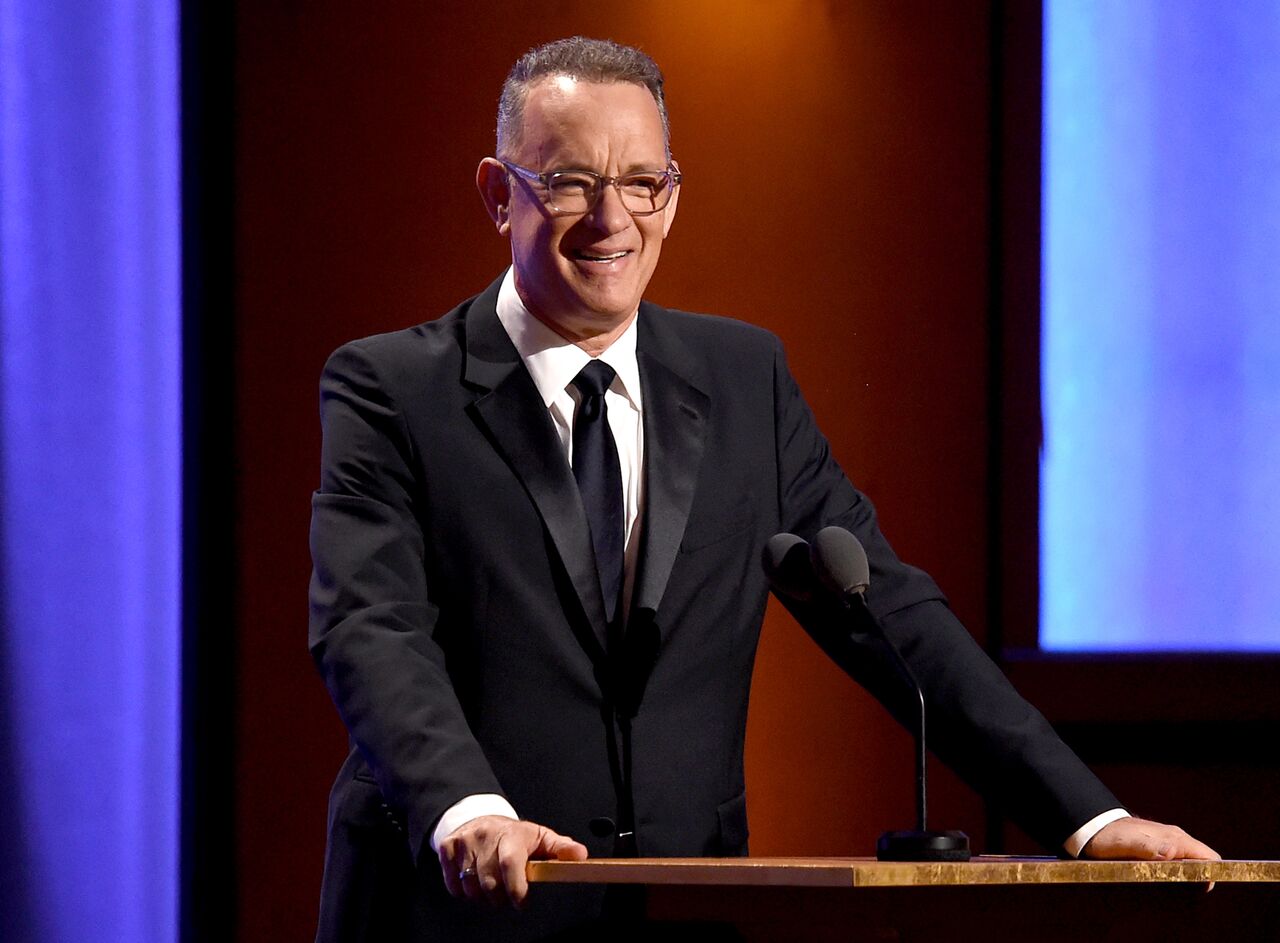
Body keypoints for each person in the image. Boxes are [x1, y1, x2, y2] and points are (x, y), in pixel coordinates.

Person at [308, 36, 1216, 943]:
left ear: (674, 196)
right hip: (452, 909)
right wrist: (466, 808)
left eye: (641, 183)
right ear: (498, 195)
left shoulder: (745, 378)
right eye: (570, 181)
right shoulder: (392, 389)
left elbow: (891, 612)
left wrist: (1090, 819)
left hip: (680, 913)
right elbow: (371, 627)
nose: (610, 217)